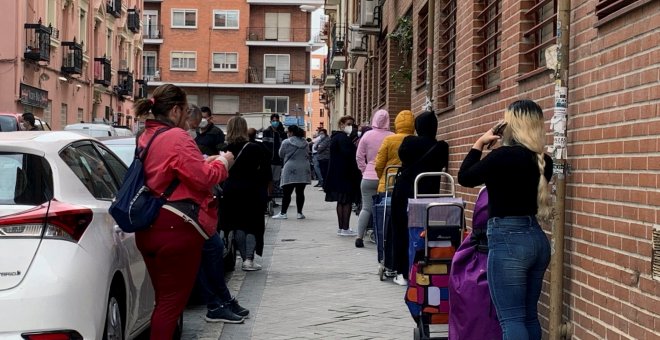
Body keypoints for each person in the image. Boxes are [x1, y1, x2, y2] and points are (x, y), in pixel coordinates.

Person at [133, 84, 235, 338]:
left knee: (164, 300)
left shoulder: (147, 136)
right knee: (171, 304)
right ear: (177, 109)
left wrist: (202, 160)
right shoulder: (177, 137)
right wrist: (224, 162)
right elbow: (204, 178)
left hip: (149, 224)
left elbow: (173, 170)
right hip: (175, 226)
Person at [457, 99, 553, 340]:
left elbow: (466, 177)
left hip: (508, 242)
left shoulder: (501, 157)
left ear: (510, 126)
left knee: (511, 320)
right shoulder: (544, 161)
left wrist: (479, 142)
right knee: (529, 316)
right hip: (536, 239)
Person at [187, 106, 249, 324]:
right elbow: (200, 176)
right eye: (194, 125)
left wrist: (210, 160)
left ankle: (222, 300)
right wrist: (222, 162)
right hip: (186, 211)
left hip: (194, 209)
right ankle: (216, 303)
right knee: (208, 252)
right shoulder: (177, 139)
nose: (196, 129)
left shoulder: (181, 139)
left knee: (213, 249)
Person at [390, 111, 449, 286]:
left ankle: (402, 271)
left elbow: (402, 156)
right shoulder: (441, 146)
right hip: (429, 195)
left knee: (401, 229)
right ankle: (425, 270)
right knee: (424, 232)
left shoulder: (409, 142)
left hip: (404, 191)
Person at [222, 117, 272, 271]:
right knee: (252, 224)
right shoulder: (256, 148)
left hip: (230, 190)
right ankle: (248, 260)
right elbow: (266, 172)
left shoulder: (224, 149)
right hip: (252, 189)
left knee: (236, 224)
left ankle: (242, 256)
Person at [354, 109, 393, 248]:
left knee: (366, 208)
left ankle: (359, 237)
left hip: (368, 176)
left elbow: (359, 156)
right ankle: (381, 237)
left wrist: (364, 170)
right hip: (386, 177)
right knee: (385, 209)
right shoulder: (392, 136)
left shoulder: (366, 135)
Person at [323, 116, 362, 236]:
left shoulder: (336, 137)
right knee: (346, 202)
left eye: (352, 124)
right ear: (342, 125)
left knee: (341, 202)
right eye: (348, 124)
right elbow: (349, 154)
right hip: (345, 175)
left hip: (338, 174)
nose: (351, 127)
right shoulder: (343, 138)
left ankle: (342, 227)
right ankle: (345, 228)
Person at [272, 125, 312, 219]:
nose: (287, 134)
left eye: (288, 132)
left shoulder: (286, 142)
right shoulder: (305, 142)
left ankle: (283, 213)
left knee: (287, 193)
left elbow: (281, 154)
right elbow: (308, 153)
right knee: (300, 192)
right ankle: (299, 213)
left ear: (291, 132)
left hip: (290, 168)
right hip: (303, 169)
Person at [374, 110, 415, 193]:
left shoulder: (389, 139)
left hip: (389, 182)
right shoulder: (416, 140)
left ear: (397, 123)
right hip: (409, 183)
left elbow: (379, 163)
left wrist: (382, 176)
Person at [262, 114, 288, 205]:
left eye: (277, 120)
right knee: (268, 180)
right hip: (269, 160)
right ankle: (268, 199)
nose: (275, 122)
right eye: (273, 120)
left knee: (275, 181)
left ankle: (271, 199)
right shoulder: (267, 132)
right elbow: (265, 145)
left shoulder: (281, 133)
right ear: (270, 121)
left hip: (278, 160)